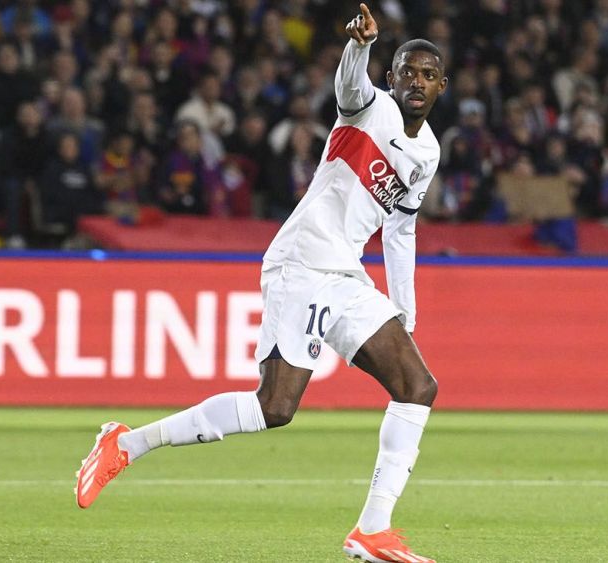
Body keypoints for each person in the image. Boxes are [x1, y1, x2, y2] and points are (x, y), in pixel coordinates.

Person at [75, 5, 447, 563]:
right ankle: (126, 444)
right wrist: (360, 47)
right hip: (300, 261)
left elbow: (401, 229)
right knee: (274, 407)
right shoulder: (368, 110)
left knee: (418, 386)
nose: (415, 81)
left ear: (442, 86)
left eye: (426, 74)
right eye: (405, 71)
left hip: (345, 272)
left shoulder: (428, 153)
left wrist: (404, 312)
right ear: (390, 78)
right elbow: (349, 84)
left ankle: (373, 530)